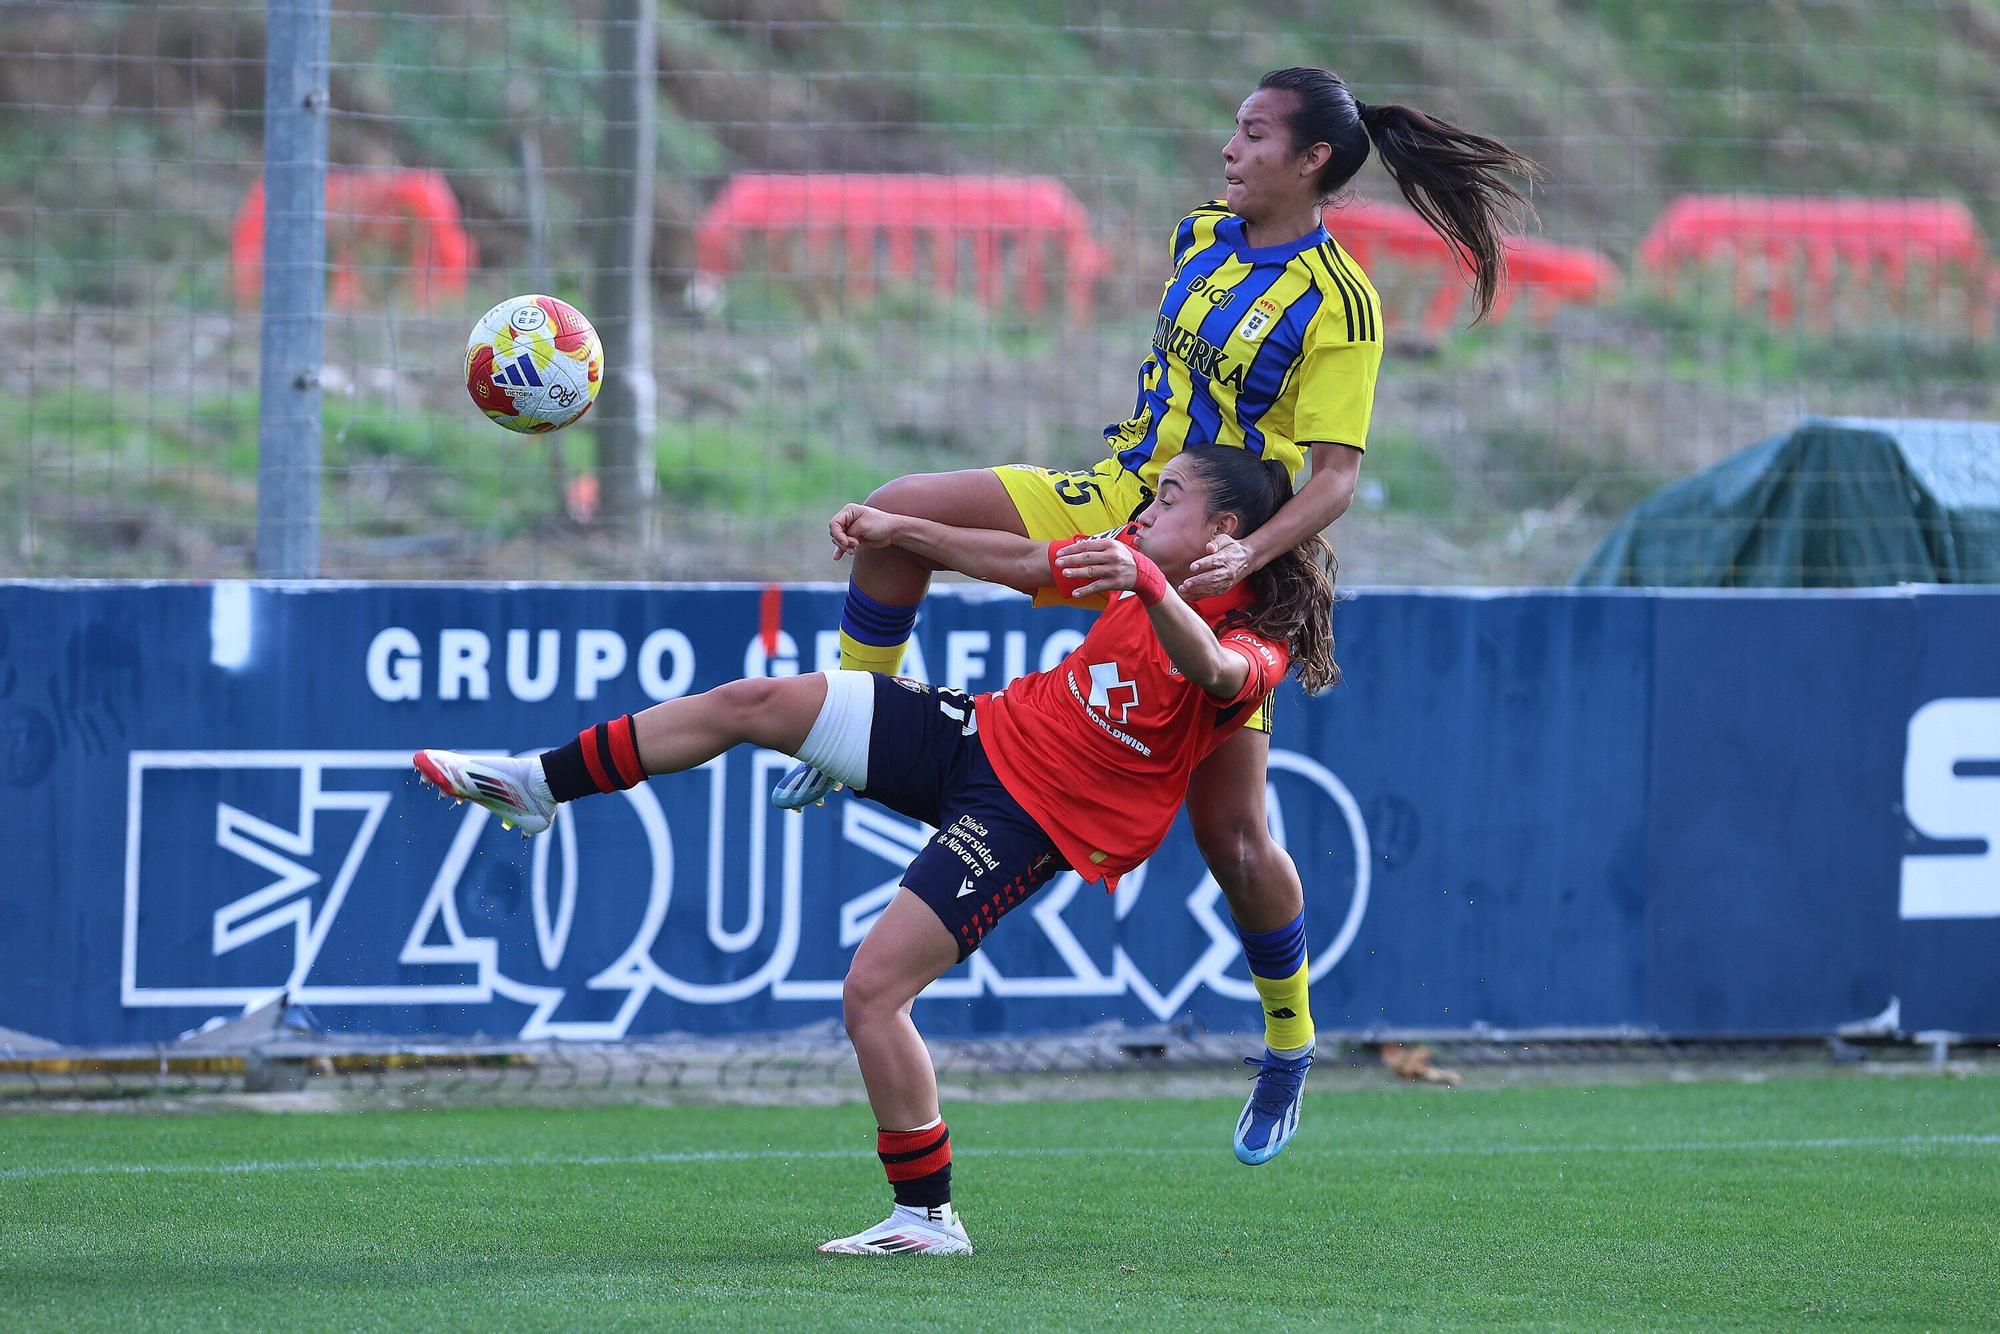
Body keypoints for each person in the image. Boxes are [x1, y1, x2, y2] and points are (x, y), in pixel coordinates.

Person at [771, 66, 1541, 1164]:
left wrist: (1244, 550)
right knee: (895, 519)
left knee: (1230, 835)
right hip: (1120, 500)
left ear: (1310, 159)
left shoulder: (1341, 302)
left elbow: (1330, 478)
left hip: (1217, 566)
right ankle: (855, 712)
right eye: (1231, 129)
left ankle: (1286, 1044)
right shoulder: (1199, 235)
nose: (1227, 149)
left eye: (1251, 133)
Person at [413, 445, 1338, 1256]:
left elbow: (1217, 674)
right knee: (756, 704)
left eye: (1165, 496)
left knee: (872, 994)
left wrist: (1151, 586)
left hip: (1034, 822)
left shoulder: (1256, 628)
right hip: (980, 735)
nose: (1141, 509)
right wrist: (903, 525)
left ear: (1223, 525)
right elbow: (1020, 560)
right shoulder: (1129, 554)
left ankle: (927, 1217)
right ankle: (537, 785)